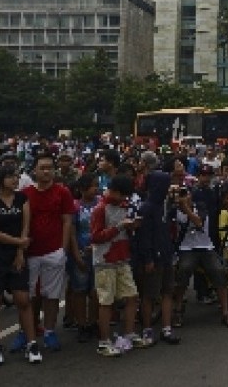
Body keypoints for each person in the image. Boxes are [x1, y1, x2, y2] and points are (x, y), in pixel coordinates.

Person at [0, 166, 42, 365]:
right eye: (10, 176)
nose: (15, 180)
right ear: (1, 179)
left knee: (23, 299)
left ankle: (31, 343)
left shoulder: (22, 199)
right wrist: (19, 243)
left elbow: (25, 226)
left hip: (16, 256)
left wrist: (20, 252)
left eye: (16, 176)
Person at [20, 152, 75, 352]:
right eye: (42, 168)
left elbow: (67, 221)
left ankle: (50, 331)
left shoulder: (63, 192)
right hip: (31, 252)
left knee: (51, 296)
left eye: (49, 167)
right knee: (29, 296)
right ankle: (28, 331)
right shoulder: (25, 193)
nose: (46, 171)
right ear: (34, 170)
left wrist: (63, 249)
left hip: (54, 251)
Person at [173, 165, 228, 328]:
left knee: (219, 271)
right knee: (183, 271)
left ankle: (225, 312)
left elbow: (199, 222)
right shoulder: (176, 210)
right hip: (187, 248)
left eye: (186, 194)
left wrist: (186, 207)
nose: (185, 197)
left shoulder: (200, 206)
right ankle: (178, 309)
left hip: (205, 245)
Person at [90, 174, 148, 356]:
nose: (124, 199)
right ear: (113, 191)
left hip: (122, 258)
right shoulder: (100, 209)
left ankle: (129, 333)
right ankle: (104, 341)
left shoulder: (123, 206)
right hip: (105, 260)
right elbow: (96, 237)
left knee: (132, 296)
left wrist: (130, 227)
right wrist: (121, 227)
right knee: (106, 301)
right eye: (122, 195)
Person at [134, 153, 181, 345]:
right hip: (153, 256)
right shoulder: (146, 208)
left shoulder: (164, 206)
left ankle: (166, 328)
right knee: (149, 295)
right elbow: (144, 237)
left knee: (167, 291)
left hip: (166, 253)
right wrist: (148, 259)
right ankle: (147, 329)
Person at [67, 173, 99, 344]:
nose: (96, 189)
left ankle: (93, 322)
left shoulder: (100, 203)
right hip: (80, 252)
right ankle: (82, 325)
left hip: (98, 252)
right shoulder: (75, 207)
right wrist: (75, 253)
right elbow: (71, 232)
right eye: (93, 186)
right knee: (79, 290)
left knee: (96, 291)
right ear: (82, 189)